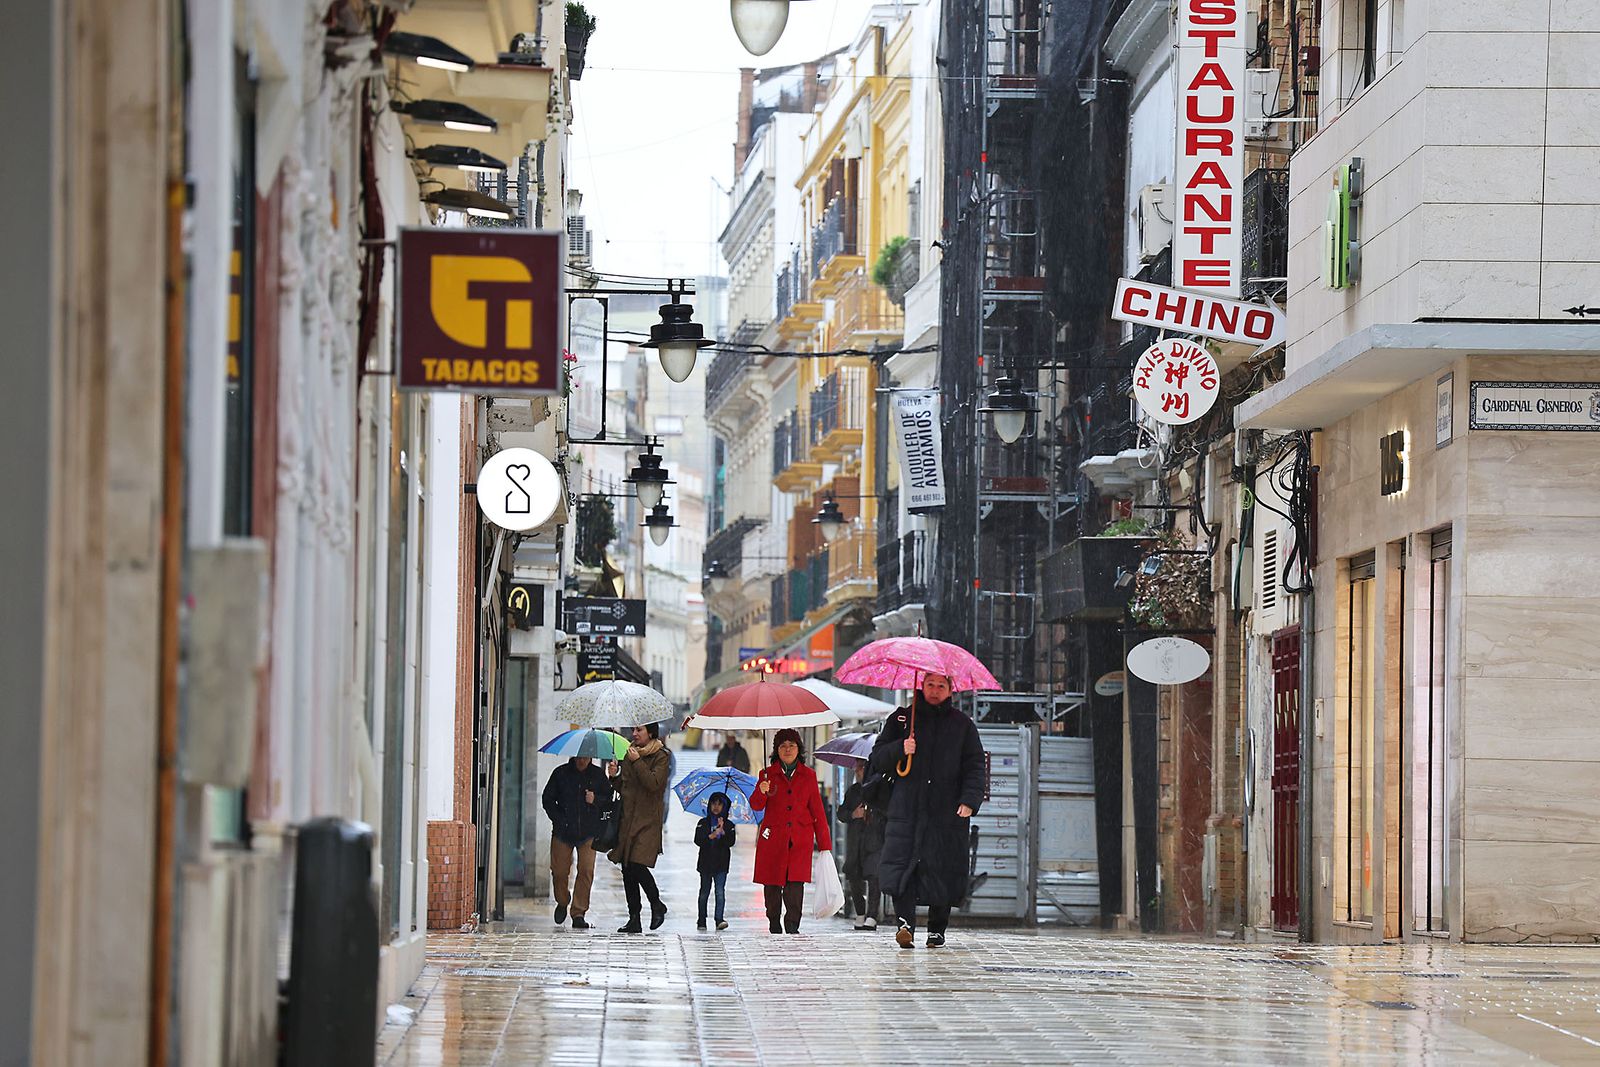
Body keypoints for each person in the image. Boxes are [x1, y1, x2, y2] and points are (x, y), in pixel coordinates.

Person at [869, 673, 986, 949]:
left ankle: (937, 929)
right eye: (930, 685)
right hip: (906, 810)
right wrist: (901, 747)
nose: (935, 691)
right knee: (904, 866)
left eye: (941, 686)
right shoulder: (901, 720)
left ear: (950, 690)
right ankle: (905, 924)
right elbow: (877, 759)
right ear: (921, 686)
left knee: (941, 869)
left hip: (946, 812)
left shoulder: (962, 726)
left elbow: (975, 766)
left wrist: (969, 800)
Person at [749, 728, 831, 934]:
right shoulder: (766, 774)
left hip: (799, 840)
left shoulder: (808, 776)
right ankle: (773, 922)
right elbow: (756, 806)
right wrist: (761, 791)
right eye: (783, 746)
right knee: (772, 886)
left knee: (795, 887)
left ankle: (793, 925)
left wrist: (825, 845)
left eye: (791, 745)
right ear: (776, 750)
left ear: (798, 749)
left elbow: (818, 812)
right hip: (773, 840)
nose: (787, 749)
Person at [607, 722, 671, 933]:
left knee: (636, 864)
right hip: (627, 820)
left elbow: (654, 784)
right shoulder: (629, 755)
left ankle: (656, 903)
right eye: (633, 730)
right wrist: (614, 776)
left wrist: (637, 763)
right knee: (627, 868)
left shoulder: (661, 756)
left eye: (639, 730)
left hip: (647, 821)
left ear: (650, 733)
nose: (634, 734)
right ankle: (634, 917)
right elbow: (625, 787)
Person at [541, 755, 613, 929]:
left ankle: (579, 912)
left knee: (586, 870)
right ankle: (562, 900)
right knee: (559, 871)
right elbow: (547, 799)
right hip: (562, 832)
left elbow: (608, 800)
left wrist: (595, 799)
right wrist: (559, 819)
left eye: (586, 758)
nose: (582, 761)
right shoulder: (560, 773)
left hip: (589, 832)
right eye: (579, 757)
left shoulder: (597, 775)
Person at [841, 762, 887, 930]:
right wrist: (853, 814)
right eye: (856, 768)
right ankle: (860, 912)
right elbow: (841, 813)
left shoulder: (880, 789)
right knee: (854, 878)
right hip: (855, 842)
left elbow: (887, 812)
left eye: (861, 768)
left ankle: (872, 916)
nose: (857, 771)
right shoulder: (853, 791)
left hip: (874, 841)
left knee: (874, 878)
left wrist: (873, 814)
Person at [693, 791, 737, 930]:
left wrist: (723, 833)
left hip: (721, 864)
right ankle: (701, 919)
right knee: (704, 892)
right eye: (714, 804)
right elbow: (698, 840)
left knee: (720, 892)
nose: (716, 807)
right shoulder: (703, 823)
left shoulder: (729, 825)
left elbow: (731, 842)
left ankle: (719, 919)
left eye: (720, 804)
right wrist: (711, 836)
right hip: (706, 863)